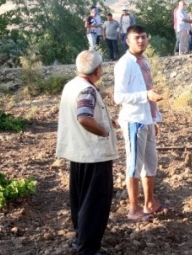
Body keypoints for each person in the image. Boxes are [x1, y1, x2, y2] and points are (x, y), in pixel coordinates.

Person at [56, 50, 118, 255]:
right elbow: (84, 117)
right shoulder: (87, 90)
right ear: (98, 69)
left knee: (81, 201)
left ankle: (80, 241)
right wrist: (103, 131)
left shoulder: (70, 86)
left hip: (78, 154)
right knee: (95, 204)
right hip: (94, 155)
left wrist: (107, 121)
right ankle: (88, 249)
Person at [113, 25, 166, 221]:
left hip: (147, 121)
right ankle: (133, 209)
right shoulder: (124, 64)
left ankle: (150, 203)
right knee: (134, 165)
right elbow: (119, 97)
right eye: (137, 38)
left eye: (143, 37)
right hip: (134, 120)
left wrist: (153, 119)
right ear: (128, 41)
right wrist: (145, 96)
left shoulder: (143, 61)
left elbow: (149, 89)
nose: (141, 41)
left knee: (151, 164)